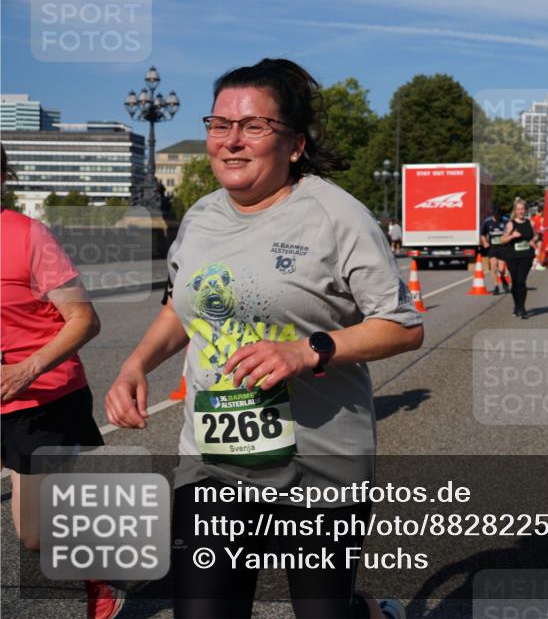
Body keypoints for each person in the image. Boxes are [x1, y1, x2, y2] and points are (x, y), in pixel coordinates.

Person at [103, 59, 422, 618]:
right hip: (213, 460)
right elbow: (183, 306)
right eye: (219, 124)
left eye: (253, 127)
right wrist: (135, 365)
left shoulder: (335, 215)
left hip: (320, 460)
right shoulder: (200, 217)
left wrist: (307, 350)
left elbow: (403, 325)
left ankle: (369, 612)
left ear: (294, 144)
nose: (231, 141)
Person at [0, 147, 120, 618]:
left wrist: (26, 369)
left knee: (33, 536)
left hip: (43, 396)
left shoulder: (27, 236)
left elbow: (84, 320)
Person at [499, 198, 538, 319]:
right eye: (518, 209)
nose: (521, 211)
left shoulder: (530, 223)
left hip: (526, 255)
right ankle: (516, 305)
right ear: (515, 211)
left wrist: (532, 241)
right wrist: (511, 236)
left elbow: (536, 235)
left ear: (525, 210)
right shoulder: (510, 224)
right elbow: (502, 240)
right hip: (512, 256)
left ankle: (522, 308)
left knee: (521, 281)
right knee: (515, 282)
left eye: (522, 209)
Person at [480, 205, 510, 295]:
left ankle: (503, 279)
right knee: (493, 266)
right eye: (495, 215)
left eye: (498, 215)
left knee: (501, 269)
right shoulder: (487, 222)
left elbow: (510, 233)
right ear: (492, 214)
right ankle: (496, 286)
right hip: (492, 247)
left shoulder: (505, 221)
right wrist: (485, 242)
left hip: (503, 247)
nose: (497, 216)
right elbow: (482, 234)